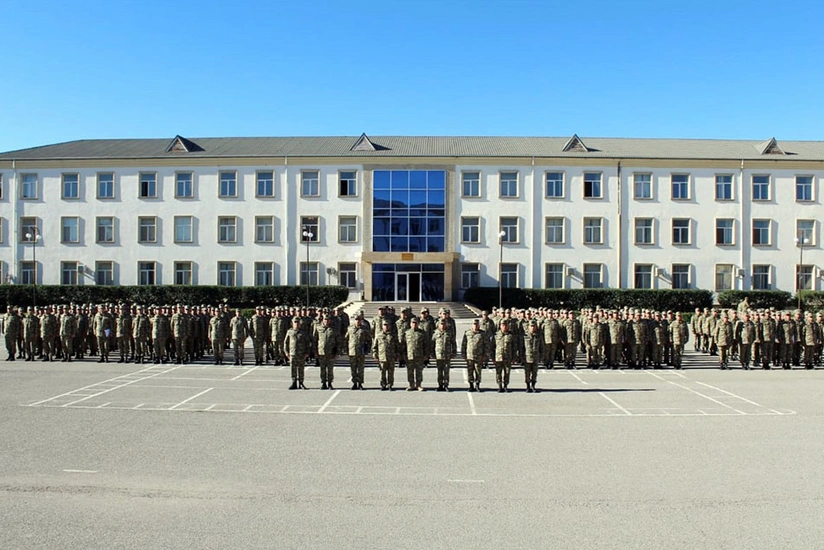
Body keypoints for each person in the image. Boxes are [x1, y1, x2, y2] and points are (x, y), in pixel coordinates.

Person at [314, 315, 341, 390]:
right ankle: (323, 383)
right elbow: (315, 340)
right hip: (321, 352)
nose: (326, 321)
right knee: (322, 369)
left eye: (328, 319)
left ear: (330, 320)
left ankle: (329, 383)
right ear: (322, 320)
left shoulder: (334, 330)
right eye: (325, 319)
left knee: (330, 369)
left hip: (331, 352)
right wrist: (315, 351)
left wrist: (337, 352)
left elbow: (338, 341)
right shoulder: (318, 328)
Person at [345, 315, 370, 390]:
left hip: (361, 352)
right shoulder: (350, 328)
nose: (357, 321)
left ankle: (360, 383)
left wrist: (367, 350)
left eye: (359, 320)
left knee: (360, 369)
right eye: (356, 320)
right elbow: (346, 339)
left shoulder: (364, 329)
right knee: (353, 369)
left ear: (361, 320)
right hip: (352, 352)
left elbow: (369, 340)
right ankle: (354, 383)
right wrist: (347, 350)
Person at [461, 319, 487, 392]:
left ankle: (477, 385)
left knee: (478, 371)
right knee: (470, 371)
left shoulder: (482, 333)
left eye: (476, 324)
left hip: (479, 356)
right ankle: (471, 385)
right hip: (469, 356)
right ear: (472, 325)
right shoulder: (467, 333)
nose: (475, 325)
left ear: (479, 325)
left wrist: (485, 355)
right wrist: (464, 354)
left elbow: (486, 345)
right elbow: (464, 344)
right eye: (474, 324)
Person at [372, 320, 399, 391]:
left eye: (387, 325)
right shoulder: (379, 335)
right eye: (384, 325)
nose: (386, 326)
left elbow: (397, 346)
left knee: (391, 372)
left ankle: (390, 384)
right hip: (382, 357)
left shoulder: (393, 335)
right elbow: (375, 346)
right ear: (382, 326)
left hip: (391, 357)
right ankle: (383, 385)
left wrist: (397, 355)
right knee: (382, 372)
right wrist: (375, 355)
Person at [284, 317, 309, 389]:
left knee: (301, 369)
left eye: (298, 322)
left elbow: (307, 343)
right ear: (292, 323)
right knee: (293, 368)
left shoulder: (303, 332)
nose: (296, 324)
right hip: (292, 353)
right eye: (295, 322)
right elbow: (286, 342)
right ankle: (294, 382)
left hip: (301, 353)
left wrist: (307, 353)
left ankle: (301, 383)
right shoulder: (289, 332)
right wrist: (286, 352)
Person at [432, 318, 455, 391]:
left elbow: (453, 343)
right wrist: (432, 353)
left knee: (446, 371)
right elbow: (432, 343)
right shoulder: (435, 333)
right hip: (438, 355)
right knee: (439, 371)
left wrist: (454, 352)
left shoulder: (449, 332)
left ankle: (446, 385)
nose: (442, 325)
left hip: (447, 354)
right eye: (441, 324)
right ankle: (440, 385)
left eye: (444, 324)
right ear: (438, 324)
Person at [522, 320, 545, 392]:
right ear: (528, 327)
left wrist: (542, 356)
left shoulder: (538, 336)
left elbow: (542, 347)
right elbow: (522, 347)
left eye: (534, 326)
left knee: (534, 372)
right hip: (527, 357)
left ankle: (533, 386)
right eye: (531, 326)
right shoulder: (525, 336)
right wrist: (521, 357)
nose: (532, 328)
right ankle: (528, 386)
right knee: (527, 372)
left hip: (536, 357)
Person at [494, 322, 515, 392]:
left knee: (507, 372)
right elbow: (492, 347)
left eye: (506, 325)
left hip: (508, 357)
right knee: (498, 372)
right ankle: (500, 385)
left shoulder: (510, 335)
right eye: (503, 325)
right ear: (500, 326)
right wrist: (492, 357)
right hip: (498, 357)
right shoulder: (496, 335)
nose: (504, 327)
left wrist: (514, 357)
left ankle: (505, 385)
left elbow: (514, 347)